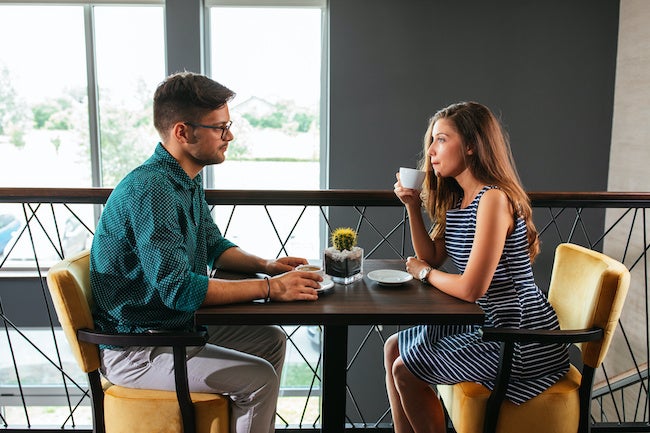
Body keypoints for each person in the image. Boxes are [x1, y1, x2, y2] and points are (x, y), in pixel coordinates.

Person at [89, 71, 322, 433]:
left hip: (171, 328)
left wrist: (268, 266)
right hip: (138, 348)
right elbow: (179, 290)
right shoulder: (153, 190)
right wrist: (269, 288)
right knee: (259, 377)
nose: (229, 136)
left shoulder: (184, 179)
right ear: (183, 132)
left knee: (270, 339)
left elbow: (214, 245)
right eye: (219, 127)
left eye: (228, 124)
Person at [383, 101, 569, 433]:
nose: (430, 151)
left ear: (471, 145)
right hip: (484, 319)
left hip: (517, 332)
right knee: (393, 347)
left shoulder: (493, 199)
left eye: (441, 139)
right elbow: (433, 255)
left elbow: (471, 288)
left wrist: (423, 274)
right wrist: (412, 206)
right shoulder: (460, 199)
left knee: (404, 370)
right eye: (431, 141)